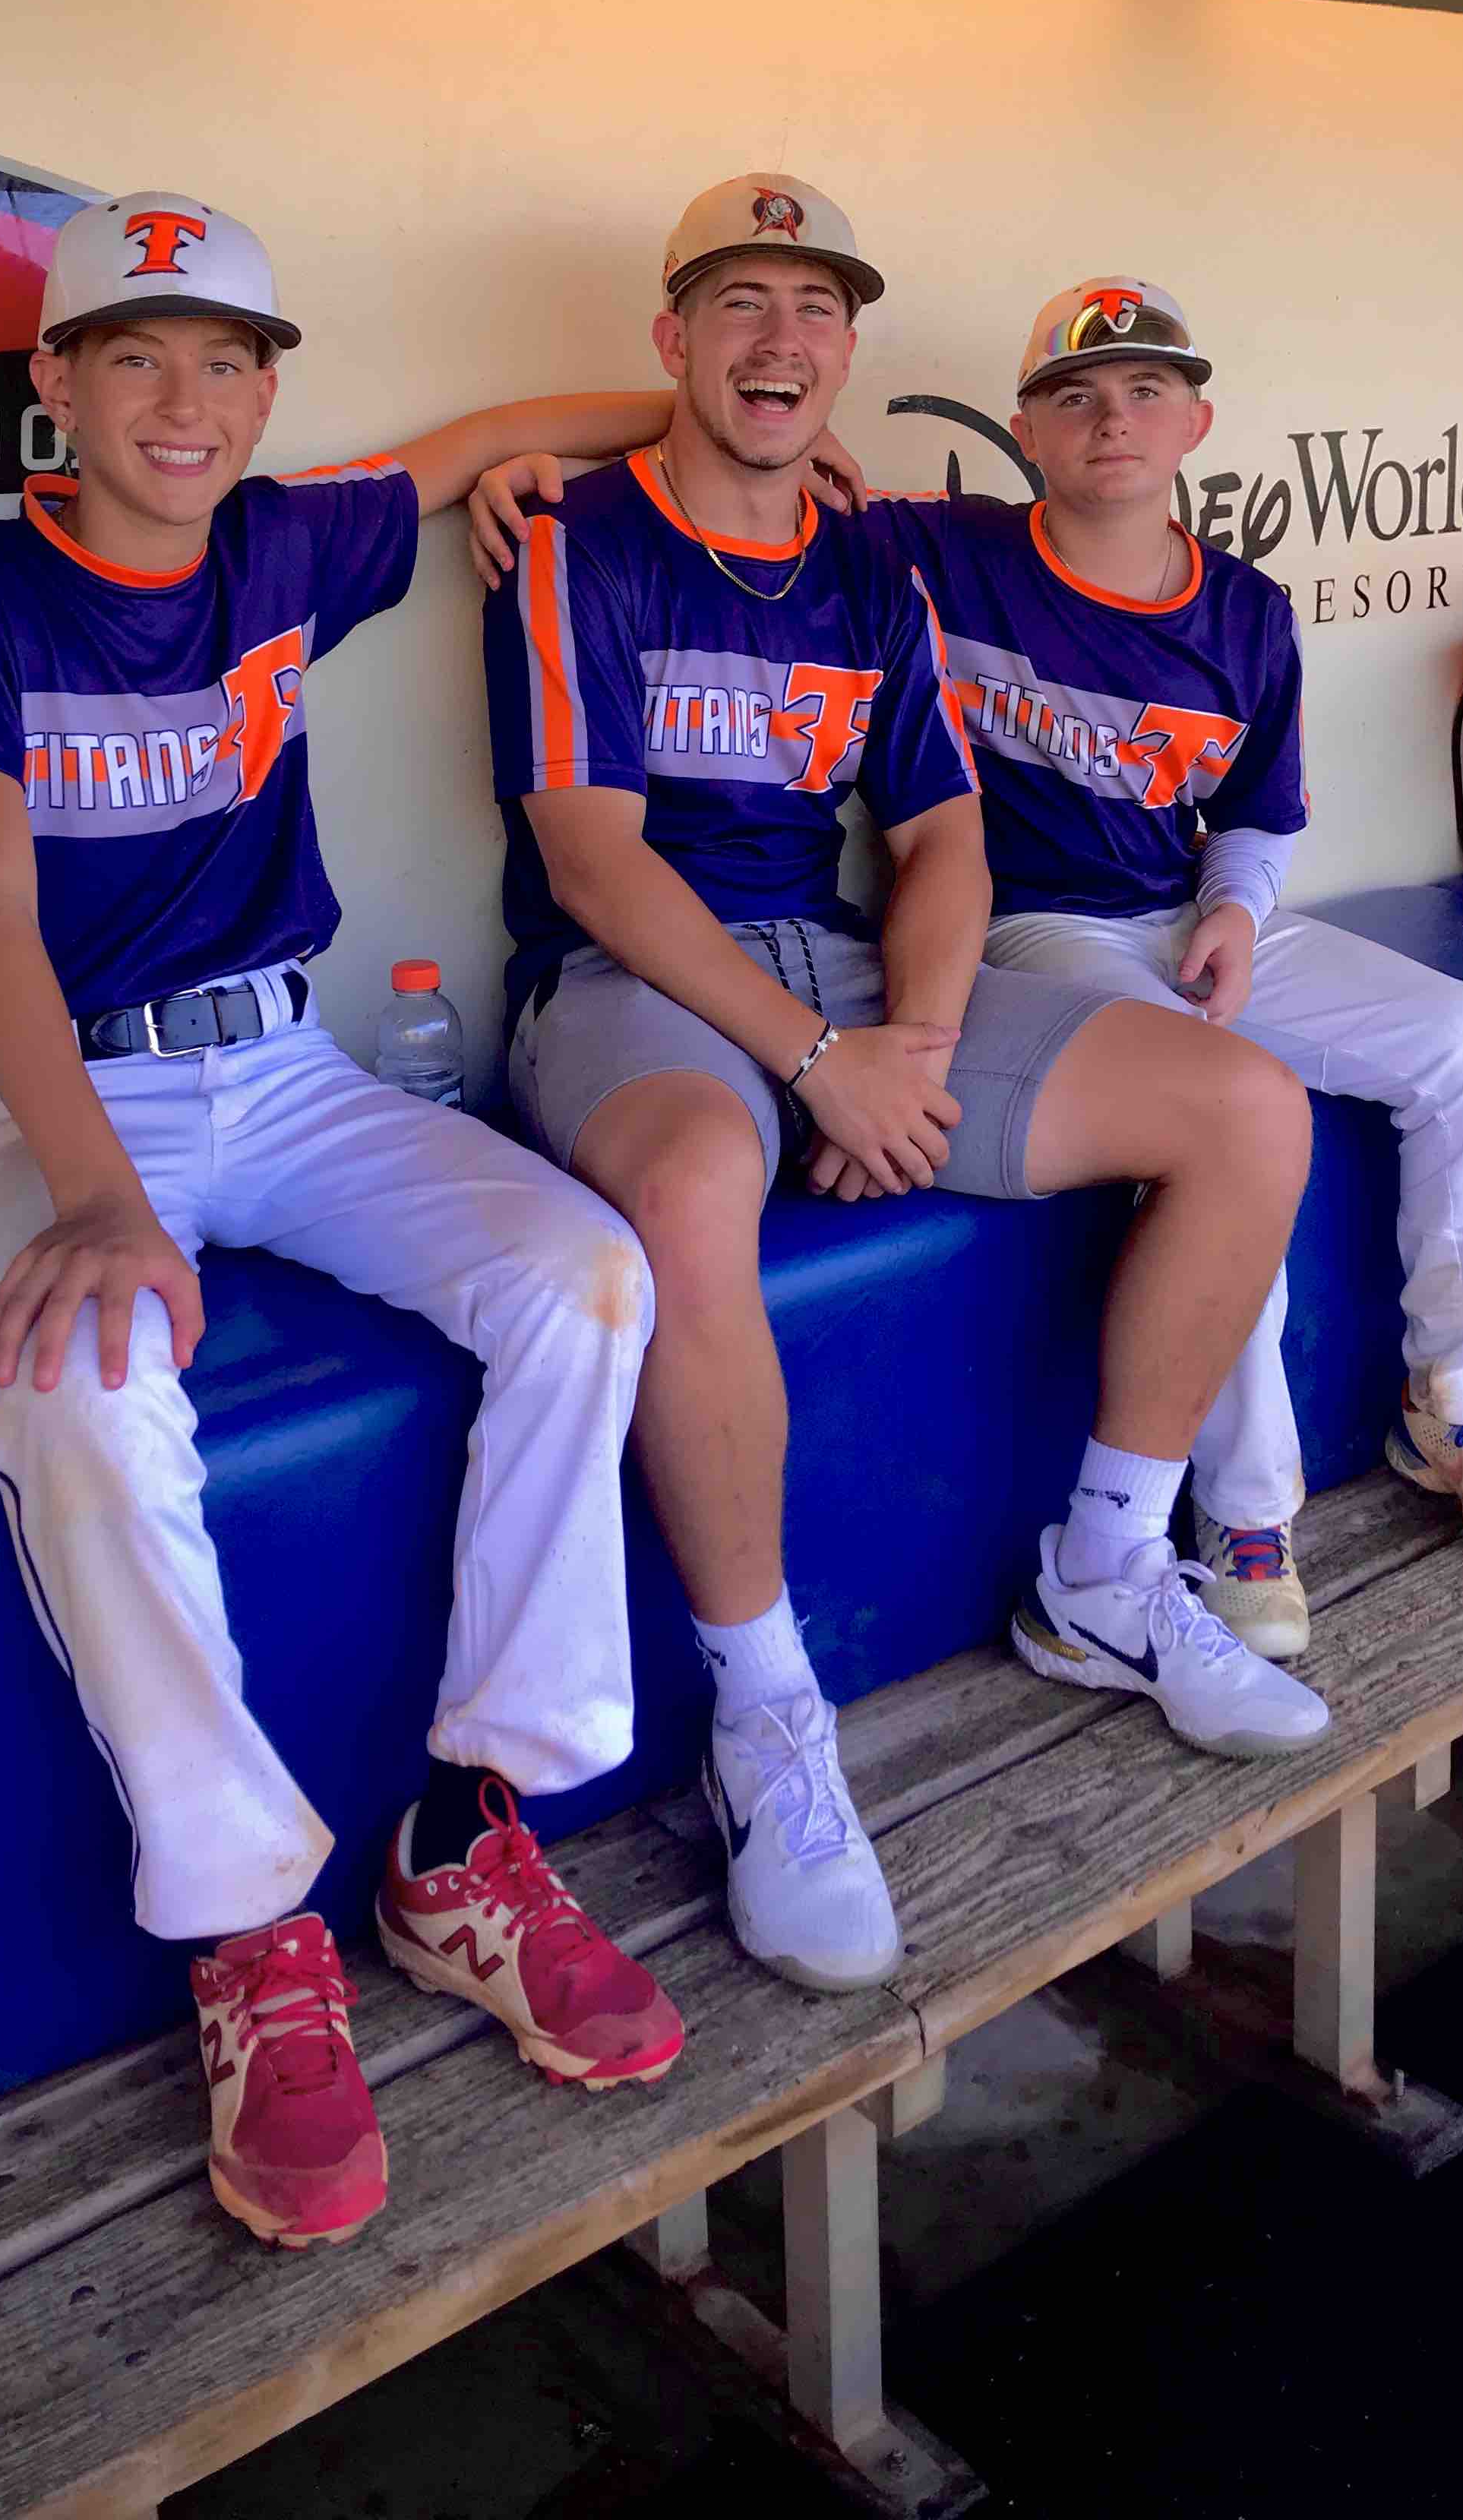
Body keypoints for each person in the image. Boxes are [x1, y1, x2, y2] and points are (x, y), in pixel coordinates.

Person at [0, 189, 688, 2259]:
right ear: (55, 384)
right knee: (83, 1389)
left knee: (589, 1276)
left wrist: (724, 434)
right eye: (135, 355)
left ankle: (467, 1836)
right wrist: (95, 1194)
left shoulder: (288, 542)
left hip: (290, 1064)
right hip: (80, 1092)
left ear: (261, 392)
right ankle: (249, 1925)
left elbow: (491, 435)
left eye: (227, 360)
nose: (187, 400)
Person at [477, 175, 1329, 2003]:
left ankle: (1108, 1569)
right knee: (695, 1188)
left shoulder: (876, 559)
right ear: (673, 337)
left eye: (815, 308)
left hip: (850, 973)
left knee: (1250, 1111)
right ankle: (766, 1715)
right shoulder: (577, 539)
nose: (780, 339)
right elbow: (592, 861)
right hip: (628, 985)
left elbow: (942, 836)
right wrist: (818, 1069)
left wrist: (914, 1058)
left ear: (849, 349)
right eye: (740, 302)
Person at [864, 277, 1463, 1662]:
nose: (1110, 420)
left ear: (1195, 421)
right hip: (1035, 931)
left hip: (1182, 910)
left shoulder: (1244, 609)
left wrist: (1236, 912)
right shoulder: (944, 551)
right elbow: (753, 474)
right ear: (1025, 428)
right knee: (1222, 1109)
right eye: (1074, 396)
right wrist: (534, 464)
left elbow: (1256, 810)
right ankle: (1246, 1512)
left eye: (1144, 390)